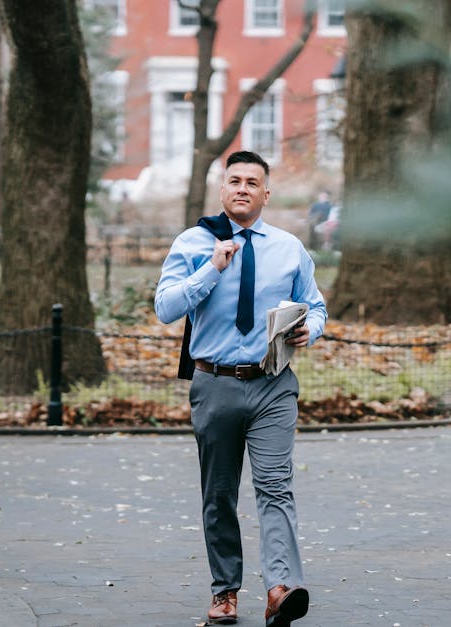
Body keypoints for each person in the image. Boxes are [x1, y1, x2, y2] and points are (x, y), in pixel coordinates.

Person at [155, 150, 326, 626]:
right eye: (235, 180)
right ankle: (225, 591)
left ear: (266, 194)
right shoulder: (193, 242)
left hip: (273, 385)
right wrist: (211, 269)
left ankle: (280, 588)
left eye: (253, 181)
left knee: (276, 487)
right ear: (223, 189)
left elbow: (316, 306)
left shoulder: (289, 248)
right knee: (220, 493)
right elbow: (165, 308)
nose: (243, 188)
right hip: (216, 384)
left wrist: (307, 330)